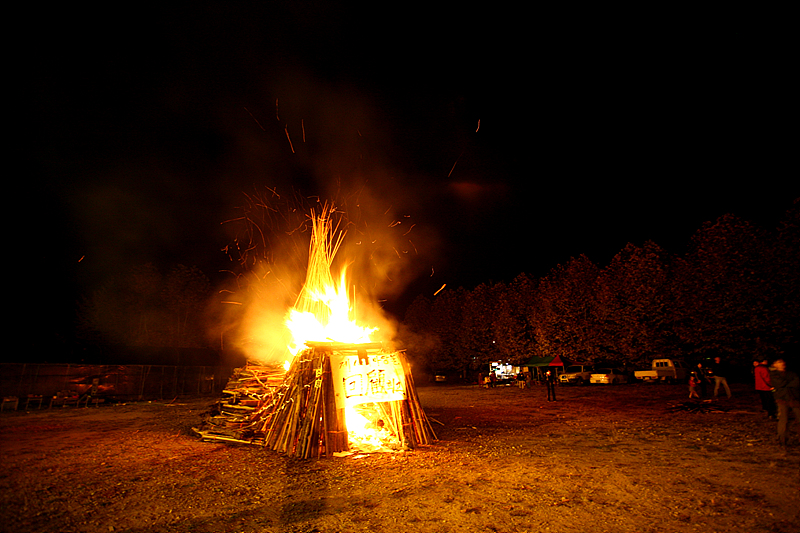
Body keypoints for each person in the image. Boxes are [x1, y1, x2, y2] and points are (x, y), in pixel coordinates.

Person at [770, 359, 800, 447]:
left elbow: (796, 382)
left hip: (794, 398)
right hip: (782, 399)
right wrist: (788, 384)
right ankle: (782, 439)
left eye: (782, 362)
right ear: (774, 364)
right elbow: (779, 384)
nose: (782, 364)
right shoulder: (774, 374)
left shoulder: (791, 373)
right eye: (779, 362)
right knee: (783, 420)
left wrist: (787, 385)